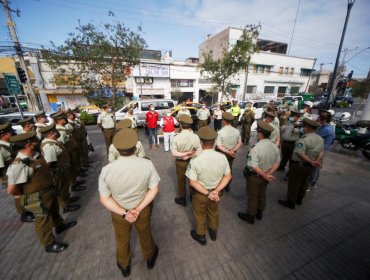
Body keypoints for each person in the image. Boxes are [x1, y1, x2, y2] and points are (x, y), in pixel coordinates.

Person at [99, 129, 160, 277]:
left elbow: (104, 199)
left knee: (121, 238)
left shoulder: (106, 170)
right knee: (145, 234)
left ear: (116, 149)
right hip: (142, 208)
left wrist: (125, 213)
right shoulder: (147, 164)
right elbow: (154, 189)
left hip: (119, 211)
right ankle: (149, 257)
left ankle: (124, 265)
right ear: (135, 146)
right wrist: (137, 209)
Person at [6, 131, 77, 253]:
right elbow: (12, 189)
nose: (37, 141)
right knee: (43, 220)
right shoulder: (19, 165)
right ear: (28, 144)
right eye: (34, 140)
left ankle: (59, 225)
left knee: (54, 211)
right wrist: (23, 196)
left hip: (48, 191)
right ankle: (49, 243)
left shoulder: (35, 155)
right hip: (36, 196)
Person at [186, 127, 231, 245]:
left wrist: (208, 193)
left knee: (200, 214)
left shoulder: (195, 160)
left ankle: (201, 236)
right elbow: (228, 176)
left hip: (201, 194)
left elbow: (192, 182)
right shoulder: (222, 157)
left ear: (201, 142)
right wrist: (216, 191)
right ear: (214, 141)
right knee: (213, 211)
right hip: (216, 193)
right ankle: (213, 232)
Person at [238, 121, 280, 224]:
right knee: (262, 194)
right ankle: (259, 213)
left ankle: (250, 216)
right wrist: (268, 174)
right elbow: (277, 162)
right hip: (266, 175)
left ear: (260, 134)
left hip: (255, 176)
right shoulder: (275, 146)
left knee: (253, 196)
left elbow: (253, 165)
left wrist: (264, 175)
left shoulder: (256, 148)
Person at [278, 118, 324, 209]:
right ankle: (299, 199)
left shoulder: (304, 139)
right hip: (310, 166)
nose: (304, 128)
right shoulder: (320, 139)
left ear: (309, 128)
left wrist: (311, 161)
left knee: (294, 183)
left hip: (299, 165)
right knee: (304, 183)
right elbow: (321, 151)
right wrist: (316, 161)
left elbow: (300, 153)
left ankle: (291, 202)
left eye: (305, 127)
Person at [39, 123, 80, 213]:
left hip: (62, 169)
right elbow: (49, 163)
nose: (56, 133)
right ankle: (65, 206)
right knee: (62, 189)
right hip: (59, 172)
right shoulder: (50, 146)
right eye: (54, 132)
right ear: (50, 134)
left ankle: (67, 199)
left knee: (65, 187)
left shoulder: (53, 142)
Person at [0, 123, 35, 223]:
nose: (12, 134)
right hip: (10, 174)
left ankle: (30, 207)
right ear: (3, 135)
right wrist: (6, 180)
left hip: (20, 171)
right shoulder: (1, 148)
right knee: (18, 195)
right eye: (9, 133)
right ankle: (24, 213)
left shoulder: (11, 144)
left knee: (25, 191)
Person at [51, 111, 86, 192]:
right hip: (68, 153)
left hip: (71, 151)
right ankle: (73, 184)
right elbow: (62, 145)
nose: (65, 119)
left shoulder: (63, 128)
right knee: (70, 170)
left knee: (73, 168)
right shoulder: (60, 131)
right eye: (63, 118)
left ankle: (75, 182)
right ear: (59, 120)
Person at [171, 115, 201, 207]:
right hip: (193, 160)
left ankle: (182, 198)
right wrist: (190, 154)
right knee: (192, 179)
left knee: (181, 180)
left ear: (180, 125)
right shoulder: (195, 137)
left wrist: (184, 155)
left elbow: (174, 153)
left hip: (181, 162)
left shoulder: (176, 137)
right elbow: (200, 150)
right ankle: (193, 197)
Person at [306, 111, 335, 190]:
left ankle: (310, 183)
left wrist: (315, 122)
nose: (318, 119)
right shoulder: (326, 127)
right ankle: (313, 182)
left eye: (320, 118)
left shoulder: (326, 130)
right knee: (316, 167)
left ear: (324, 119)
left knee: (314, 168)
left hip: (319, 151)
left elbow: (314, 135)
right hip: (320, 150)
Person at [215, 112, 242, 192]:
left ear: (224, 121)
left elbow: (218, 146)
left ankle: (221, 186)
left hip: (222, 153)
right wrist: (232, 151)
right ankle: (227, 186)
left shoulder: (220, 132)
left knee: (221, 170)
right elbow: (239, 143)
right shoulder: (236, 131)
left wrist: (228, 151)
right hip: (232, 154)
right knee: (229, 168)